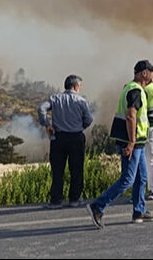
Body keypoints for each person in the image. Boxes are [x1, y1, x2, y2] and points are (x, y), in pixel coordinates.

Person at [87, 60, 153, 230]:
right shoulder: (135, 90)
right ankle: (97, 207)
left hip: (139, 143)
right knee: (127, 180)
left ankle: (139, 211)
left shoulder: (132, 88)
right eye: (151, 71)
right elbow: (131, 116)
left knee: (141, 177)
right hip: (132, 143)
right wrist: (132, 142)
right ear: (144, 73)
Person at [37, 75, 93, 209]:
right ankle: (74, 199)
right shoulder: (81, 101)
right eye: (80, 86)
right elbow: (89, 119)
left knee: (57, 171)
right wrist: (80, 126)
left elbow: (41, 108)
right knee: (76, 169)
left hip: (58, 138)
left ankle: (56, 201)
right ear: (75, 86)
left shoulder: (55, 98)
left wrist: (47, 124)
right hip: (76, 138)